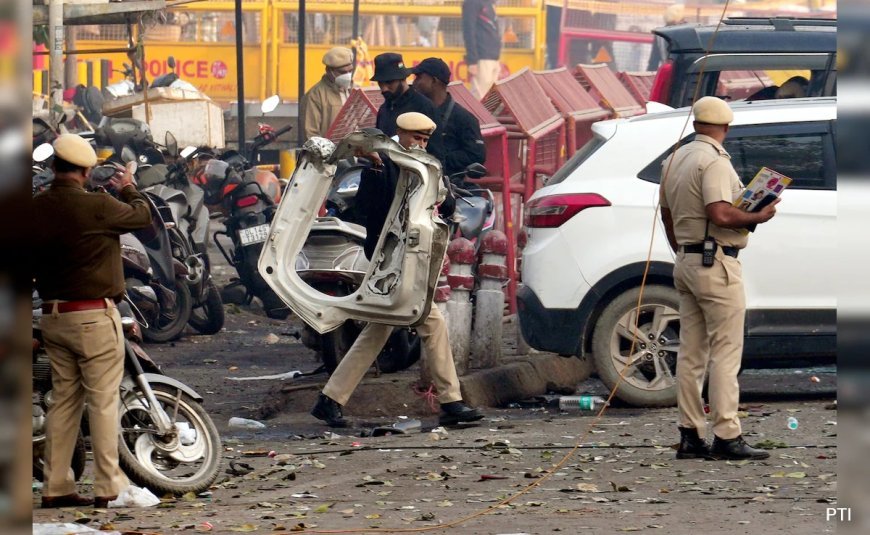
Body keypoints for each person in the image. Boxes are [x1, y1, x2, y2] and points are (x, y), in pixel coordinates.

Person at [311, 112, 483, 428]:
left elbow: (445, 206)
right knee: (430, 321)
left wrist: (440, 186)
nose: (420, 144)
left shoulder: (424, 165)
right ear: (399, 134)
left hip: (410, 258)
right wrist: (376, 166)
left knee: (380, 329)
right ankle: (451, 401)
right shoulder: (382, 162)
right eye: (416, 138)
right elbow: (368, 206)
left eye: (425, 140)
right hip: (388, 260)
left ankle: (330, 399)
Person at [33, 134, 152, 507]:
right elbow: (143, 217)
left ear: (54, 167)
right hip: (93, 318)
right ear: (85, 172)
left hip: (53, 317)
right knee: (102, 402)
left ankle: (56, 487)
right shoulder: (98, 205)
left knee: (63, 402)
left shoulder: (36, 207)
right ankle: (108, 487)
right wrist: (128, 186)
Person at [659, 97, 779, 461]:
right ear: (726, 128)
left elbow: (667, 216)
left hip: (687, 261)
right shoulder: (713, 161)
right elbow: (721, 214)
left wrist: (684, 250)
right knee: (726, 353)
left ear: (697, 124)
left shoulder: (674, 159)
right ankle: (727, 435)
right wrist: (759, 216)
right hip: (716, 264)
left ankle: (691, 435)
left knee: (691, 354)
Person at [411, 57, 487, 179]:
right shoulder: (413, 112)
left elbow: (476, 155)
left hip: (449, 184)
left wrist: (439, 159)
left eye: (419, 77)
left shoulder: (464, 119)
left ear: (434, 81)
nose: (414, 82)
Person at [372, 52, 437, 137]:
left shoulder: (423, 107)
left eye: (389, 82)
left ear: (402, 79)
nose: (384, 89)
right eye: (380, 83)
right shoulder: (384, 109)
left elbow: (434, 144)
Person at [301, 46, 356, 140]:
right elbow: (311, 134)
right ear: (329, 71)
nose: (347, 75)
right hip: (329, 148)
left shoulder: (352, 90)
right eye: (342, 72)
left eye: (350, 71)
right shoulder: (315, 95)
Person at [462, 0, 502, 99]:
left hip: (493, 57)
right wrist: (472, 60)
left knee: (491, 99)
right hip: (482, 56)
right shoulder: (472, 3)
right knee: (480, 97)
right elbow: (469, 31)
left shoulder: (489, 3)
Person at [647, 4, 686, 71]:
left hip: (668, 72)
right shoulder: (686, 32)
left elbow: (653, 61)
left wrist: (650, 75)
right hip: (683, 72)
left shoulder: (659, 35)